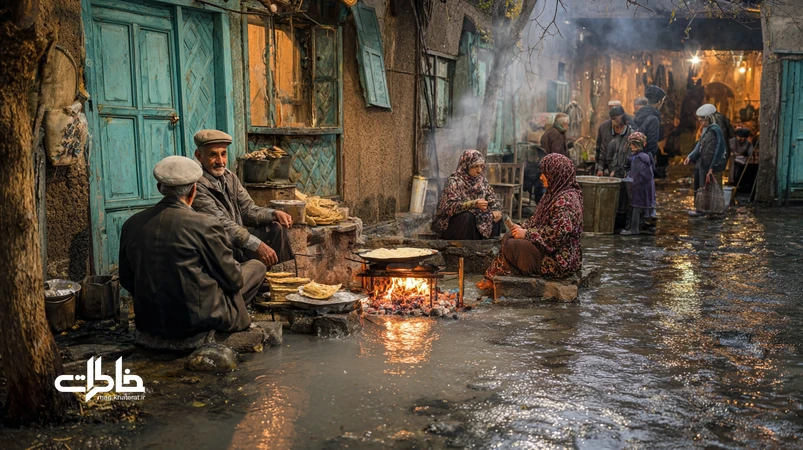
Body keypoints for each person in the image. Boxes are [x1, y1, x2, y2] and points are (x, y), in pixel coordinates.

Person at [119, 156, 265, 339]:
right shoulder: (205, 224)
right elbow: (233, 280)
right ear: (193, 191)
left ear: (159, 189)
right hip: (196, 321)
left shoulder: (131, 224)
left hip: (149, 321)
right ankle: (220, 330)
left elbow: (126, 279)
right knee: (256, 267)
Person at [475, 154, 583, 290]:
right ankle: (492, 277)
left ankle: (492, 277)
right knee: (509, 236)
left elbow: (557, 236)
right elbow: (536, 220)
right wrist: (520, 227)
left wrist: (527, 234)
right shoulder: (552, 194)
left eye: (545, 173)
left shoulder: (567, 201)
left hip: (559, 259)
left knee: (514, 246)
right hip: (546, 247)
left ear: (556, 174)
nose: (540, 177)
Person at [192, 130, 294, 268]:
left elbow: (248, 209)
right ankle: (260, 282)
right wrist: (257, 245)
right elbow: (221, 225)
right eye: (213, 155)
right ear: (199, 156)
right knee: (251, 244)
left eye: (223, 154)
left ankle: (285, 278)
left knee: (275, 229)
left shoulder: (230, 178)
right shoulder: (197, 186)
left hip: (236, 241)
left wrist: (273, 214)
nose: (220, 161)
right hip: (219, 247)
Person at [431, 150, 502, 240]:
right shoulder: (454, 181)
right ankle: (464, 247)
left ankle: (489, 248)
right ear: (466, 166)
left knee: (496, 217)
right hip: (451, 224)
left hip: (475, 220)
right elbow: (449, 207)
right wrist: (473, 204)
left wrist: (496, 210)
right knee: (467, 216)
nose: (479, 170)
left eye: (481, 166)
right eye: (475, 166)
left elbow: (493, 200)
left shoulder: (481, 181)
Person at [685, 104, 727, 217]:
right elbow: (700, 145)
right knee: (701, 187)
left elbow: (719, 149)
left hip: (710, 165)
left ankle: (715, 210)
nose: (701, 123)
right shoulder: (706, 130)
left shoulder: (715, 130)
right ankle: (702, 209)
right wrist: (691, 156)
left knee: (712, 187)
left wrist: (712, 166)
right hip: (703, 163)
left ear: (708, 119)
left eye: (702, 121)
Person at [620, 133, 655, 236]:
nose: (631, 146)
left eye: (633, 144)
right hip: (640, 186)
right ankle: (634, 226)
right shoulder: (637, 157)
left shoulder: (641, 158)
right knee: (636, 206)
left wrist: (632, 181)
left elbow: (640, 174)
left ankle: (634, 229)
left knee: (636, 206)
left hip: (640, 187)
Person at [595, 101, 632, 176]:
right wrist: (600, 168)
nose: (616, 121)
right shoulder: (606, 130)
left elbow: (632, 154)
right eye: (614, 119)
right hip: (609, 170)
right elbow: (602, 150)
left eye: (618, 119)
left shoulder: (630, 133)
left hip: (625, 172)